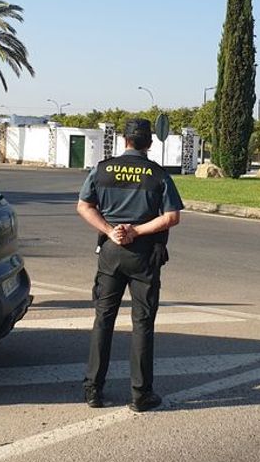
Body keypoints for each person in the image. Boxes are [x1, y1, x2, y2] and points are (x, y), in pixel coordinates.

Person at [77, 118, 183, 412]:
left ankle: (93, 391)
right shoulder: (158, 174)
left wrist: (111, 230)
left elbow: (84, 206)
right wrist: (137, 231)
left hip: (111, 251)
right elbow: (172, 217)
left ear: (124, 140)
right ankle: (140, 394)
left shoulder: (102, 169)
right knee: (143, 323)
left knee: (103, 319)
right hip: (144, 255)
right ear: (149, 143)